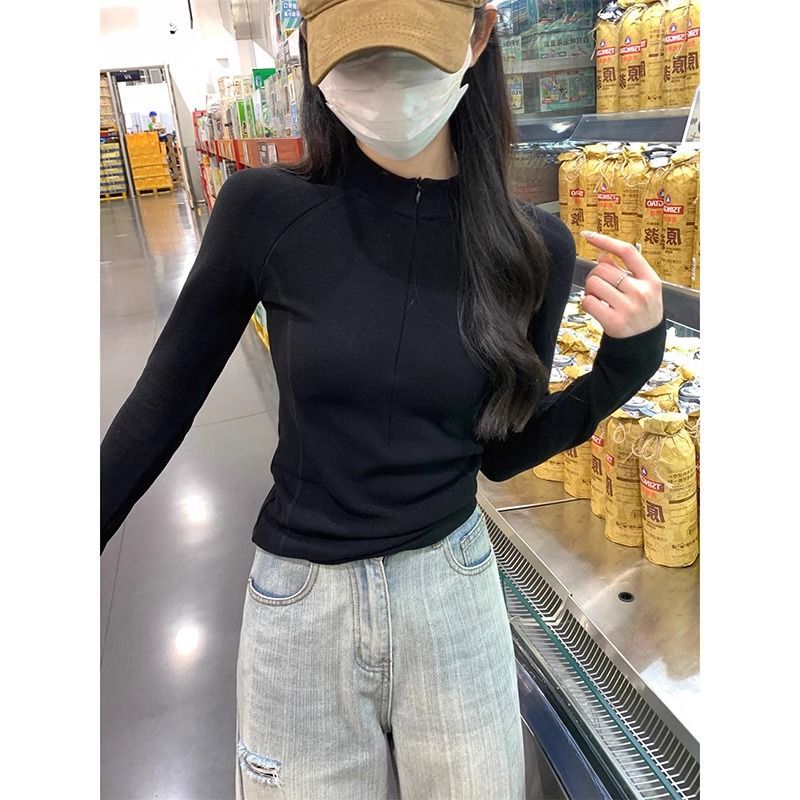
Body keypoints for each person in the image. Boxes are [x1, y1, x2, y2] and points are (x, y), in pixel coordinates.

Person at [101, 1, 666, 797]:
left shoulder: (531, 246)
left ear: (479, 34)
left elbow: (503, 451)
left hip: (454, 593)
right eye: (356, 58)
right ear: (313, 55)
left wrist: (625, 363)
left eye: (409, 54)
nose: (384, 83)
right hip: (302, 609)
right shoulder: (264, 210)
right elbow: (160, 405)